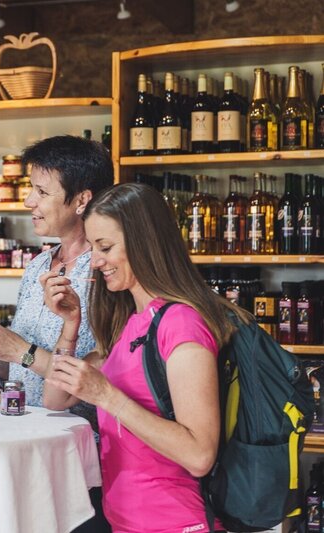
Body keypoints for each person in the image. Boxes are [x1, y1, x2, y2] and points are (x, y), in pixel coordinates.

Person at [42, 182, 250, 533]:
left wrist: (107, 395)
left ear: (143, 242)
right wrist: (70, 327)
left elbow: (199, 455)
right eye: (93, 247)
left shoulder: (182, 323)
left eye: (105, 247)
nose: (95, 260)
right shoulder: (131, 321)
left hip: (176, 523)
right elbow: (56, 397)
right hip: (126, 521)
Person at [0, 135, 113, 532]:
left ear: (82, 199)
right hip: (25, 447)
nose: (28, 202)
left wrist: (18, 350)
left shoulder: (106, 271)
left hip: (83, 457)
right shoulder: (37, 266)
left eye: (40, 191)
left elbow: (101, 370)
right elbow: (26, 366)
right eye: (28, 189)